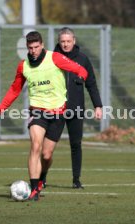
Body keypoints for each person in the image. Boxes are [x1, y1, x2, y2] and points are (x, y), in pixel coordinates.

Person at [0, 31, 88, 201]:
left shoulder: (55, 58)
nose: (33, 51)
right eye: (30, 48)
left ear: (42, 45)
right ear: (27, 47)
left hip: (58, 113)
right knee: (35, 146)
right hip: (37, 111)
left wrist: (82, 76)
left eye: (36, 47)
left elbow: (80, 69)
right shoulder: (23, 66)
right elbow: (14, 90)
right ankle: (34, 189)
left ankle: (42, 178)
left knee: (46, 155)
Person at [39, 27, 103, 189]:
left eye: (68, 41)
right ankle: (42, 177)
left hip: (76, 109)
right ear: (59, 42)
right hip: (55, 110)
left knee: (76, 144)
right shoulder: (50, 59)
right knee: (47, 150)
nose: (66, 44)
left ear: (74, 41)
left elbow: (91, 84)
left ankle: (76, 180)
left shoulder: (82, 59)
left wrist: (98, 106)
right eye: (63, 41)